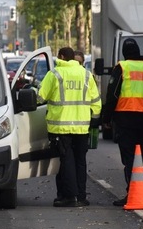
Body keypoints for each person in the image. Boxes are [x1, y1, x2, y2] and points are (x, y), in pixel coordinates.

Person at [38, 47, 102, 207]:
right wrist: (94, 120)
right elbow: (96, 101)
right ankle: (81, 196)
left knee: (66, 161)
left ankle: (69, 196)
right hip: (82, 127)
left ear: (60, 56)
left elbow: (40, 97)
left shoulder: (55, 74)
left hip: (61, 127)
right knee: (80, 161)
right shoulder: (86, 74)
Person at [101, 39, 143, 206]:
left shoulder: (122, 68)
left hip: (125, 119)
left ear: (125, 54)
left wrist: (106, 118)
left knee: (129, 157)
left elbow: (112, 95)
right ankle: (142, 190)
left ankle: (132, 193)